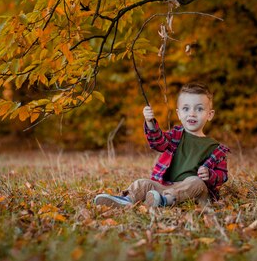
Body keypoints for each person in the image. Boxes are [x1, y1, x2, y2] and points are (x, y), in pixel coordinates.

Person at [94, 82, 230, 208]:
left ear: (210, 115)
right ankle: (127, 200)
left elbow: (222, 175)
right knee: (143, 183)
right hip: (167, 187)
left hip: (196, 192)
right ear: (179, 113)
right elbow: (158, 142)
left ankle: (165, 201)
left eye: (199, 109)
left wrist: (210, 175)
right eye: (186, 108)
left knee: (195, 181)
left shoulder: (215, 149)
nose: (192, 113)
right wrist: (150, 122)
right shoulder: (175, 136)